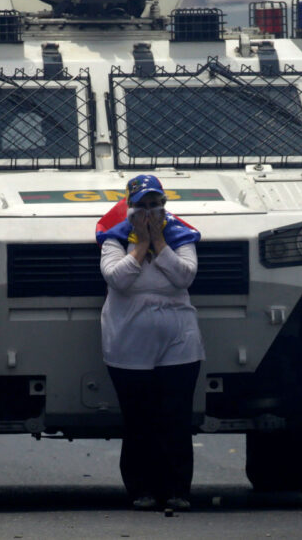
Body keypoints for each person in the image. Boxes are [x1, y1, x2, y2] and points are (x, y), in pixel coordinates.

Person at [95, 174, 203, 510]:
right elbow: (117, 280)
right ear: (130, 208)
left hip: (178, 335)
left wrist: (160, 243)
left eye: (155, 205)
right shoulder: (113, 238)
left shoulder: (181, 236)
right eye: (142, 205)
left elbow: (185, 275)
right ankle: (140, 488)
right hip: (129, 337)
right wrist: (141, 245)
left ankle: (176, 490)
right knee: (139, 417)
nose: (149, 212)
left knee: (175, 416)